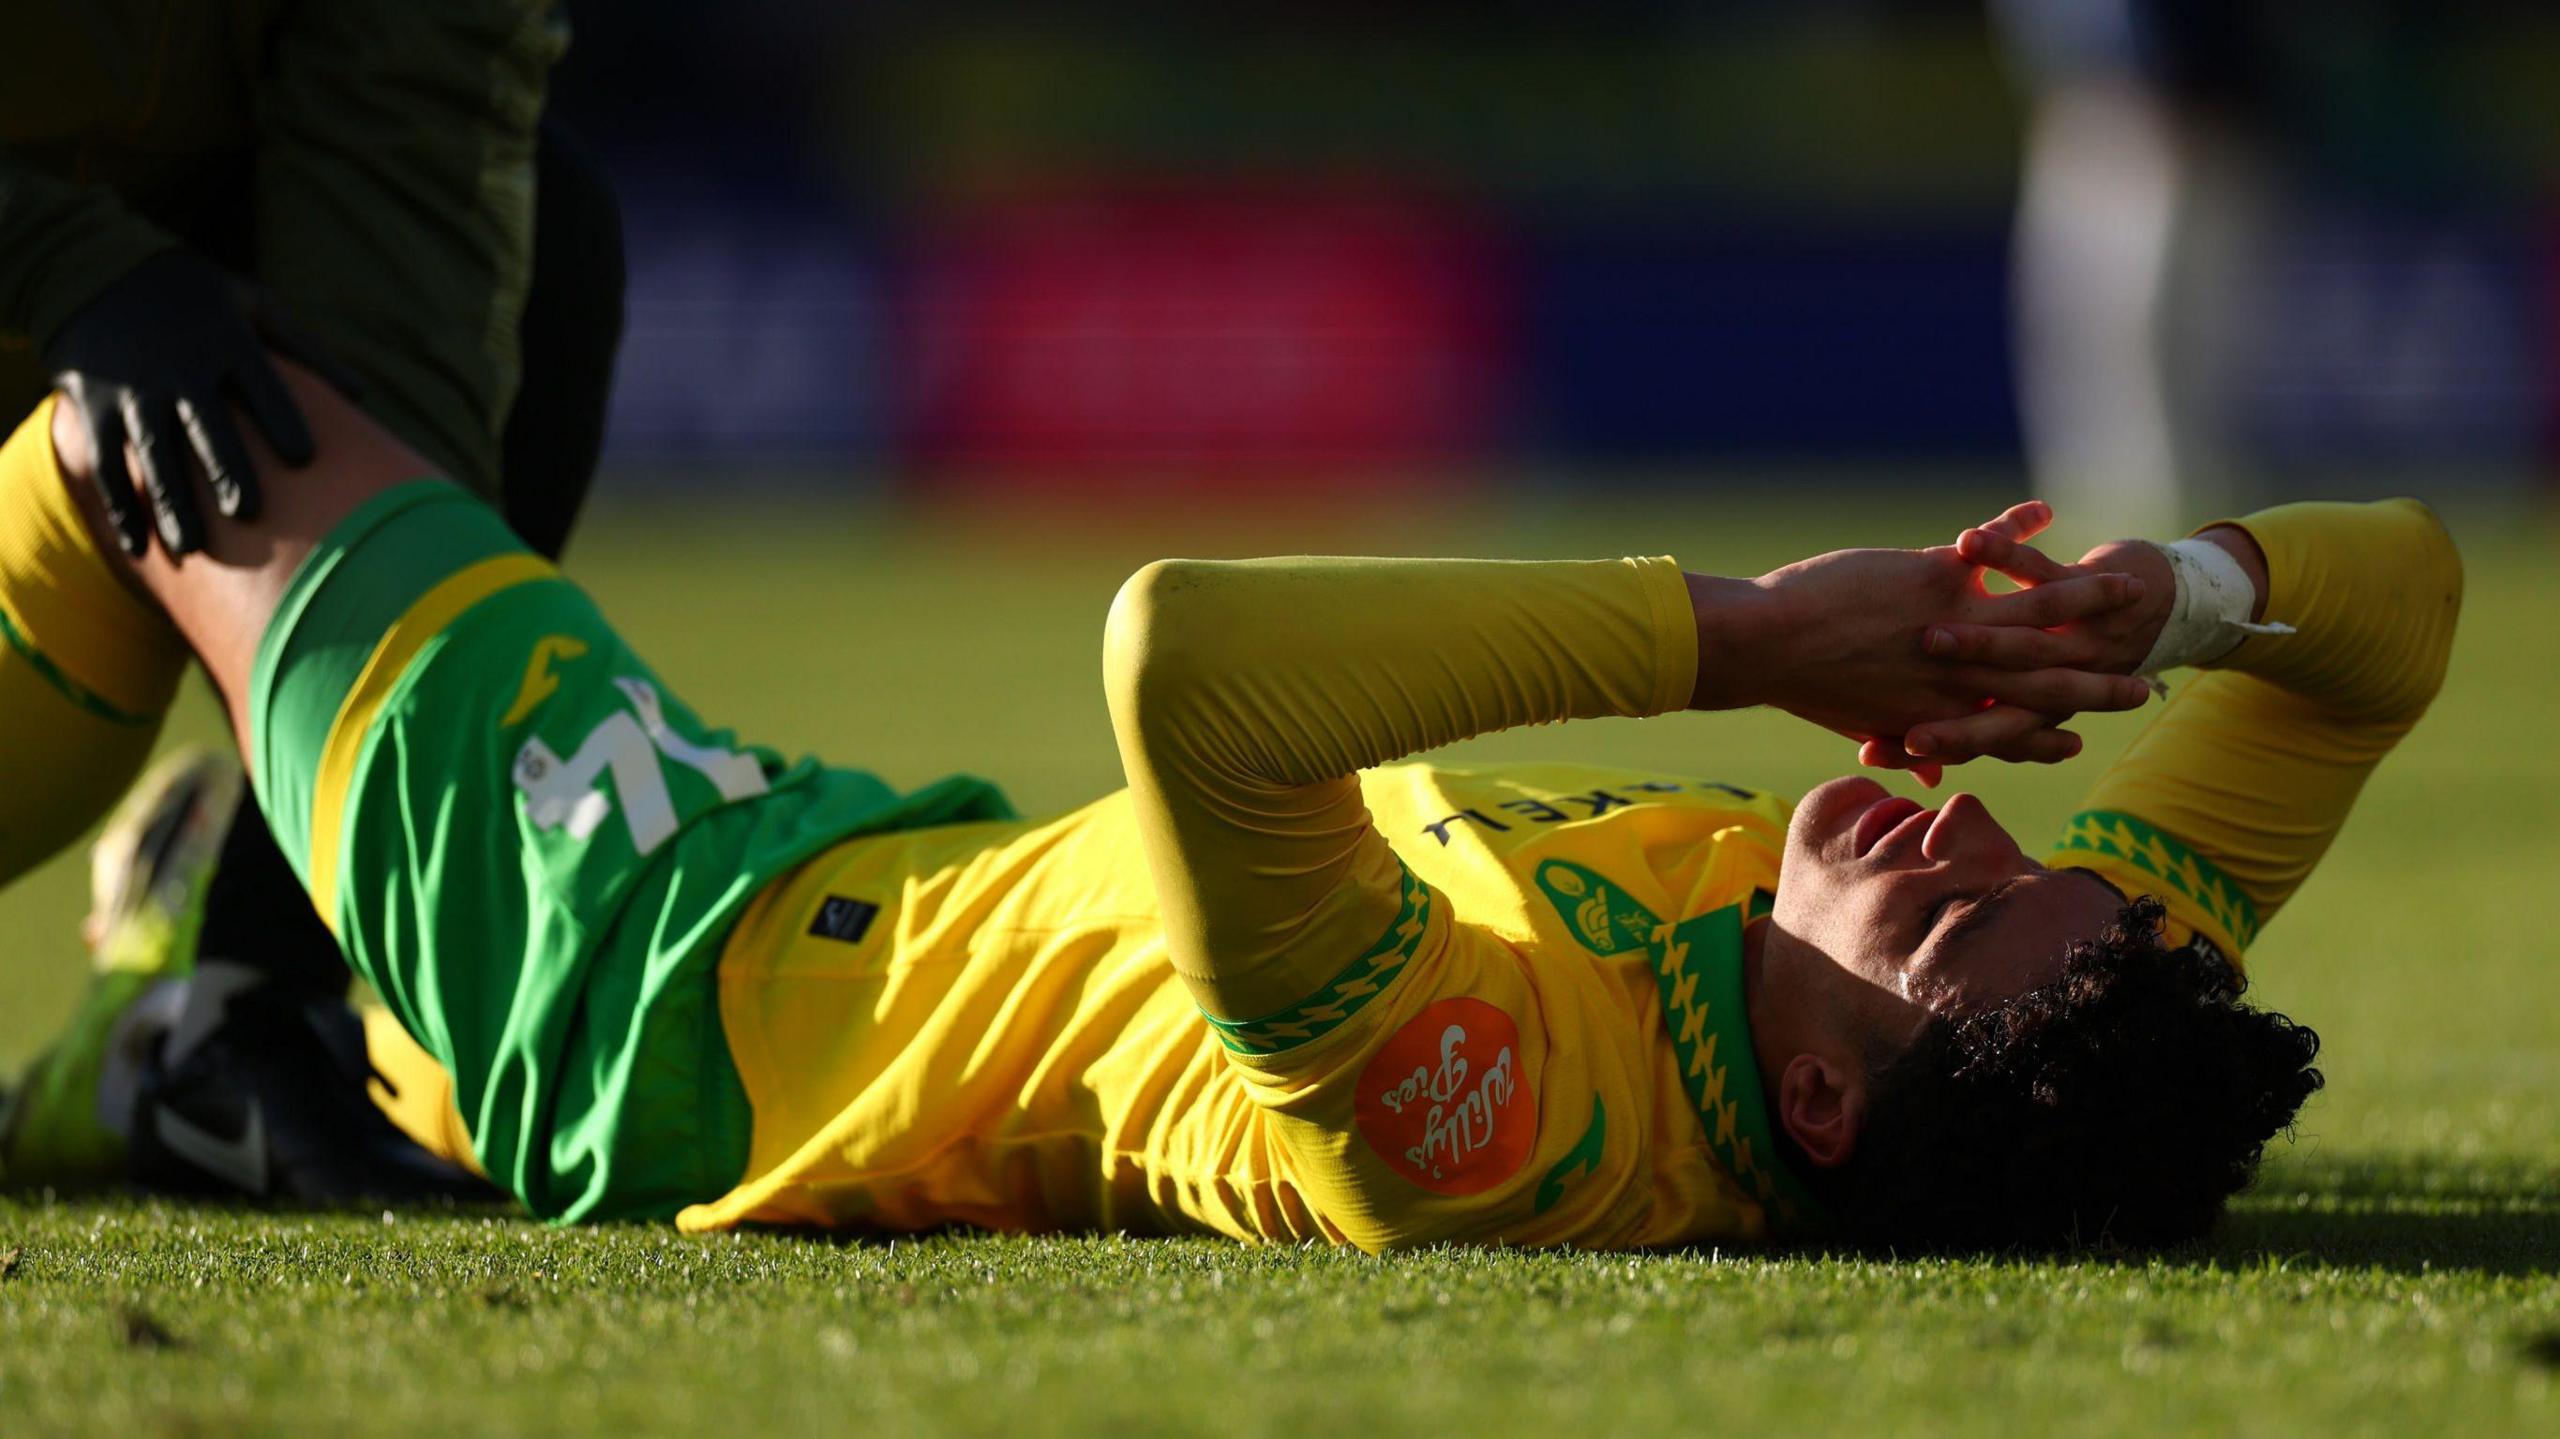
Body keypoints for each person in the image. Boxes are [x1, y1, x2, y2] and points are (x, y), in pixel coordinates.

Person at [0, 369, 2458, 1250]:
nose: (1990, 845)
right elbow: (2402, 617)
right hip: (848, 866)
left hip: (655, 988)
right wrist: (2169, 595)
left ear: (1811, 1100)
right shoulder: (2071, 1009)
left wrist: (1754, 634)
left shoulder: (1496, 1125)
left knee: (175, 428)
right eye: (2037, 864)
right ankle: (195, 1042)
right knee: (475, 329)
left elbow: (1189, 662)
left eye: (1948, 921)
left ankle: (230, 1024)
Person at [0, 0, 623, 1199]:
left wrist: (392, 649)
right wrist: (57, 262)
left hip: (96, 467)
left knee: (546, 241)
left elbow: (408, 323)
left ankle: (233, 1017)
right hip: (60, 345)